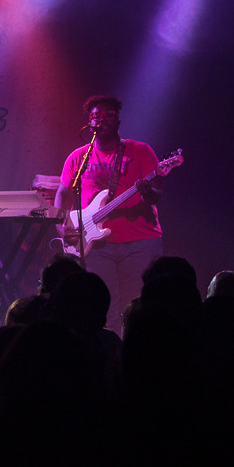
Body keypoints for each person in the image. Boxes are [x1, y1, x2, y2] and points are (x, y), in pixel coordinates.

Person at [55, 95, 164, 335]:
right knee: (104, 310)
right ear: (88, 122)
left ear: (118, 121)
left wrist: (147, 193)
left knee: (138, 307)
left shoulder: (140, 151)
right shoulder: (78, 157)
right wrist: (62, 227)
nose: (101, 119)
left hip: (140, 242)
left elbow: (156, 194)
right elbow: (63, 195)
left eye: (108, 115)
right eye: (95, 115)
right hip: (94, 245)